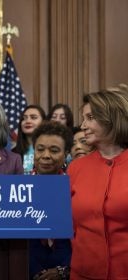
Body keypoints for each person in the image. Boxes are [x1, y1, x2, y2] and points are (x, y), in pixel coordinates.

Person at [67, 87, 128, 279]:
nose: (83, 125)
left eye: (90, 117)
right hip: (83, 272)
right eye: (83, 118)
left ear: (112, 119)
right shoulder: (76, 168)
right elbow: (70, 224)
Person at [29, 121, 72, 279]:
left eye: (54, 150)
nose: (46, 155)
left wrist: (64, 271)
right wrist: (35, 271)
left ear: (66, 153)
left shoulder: (74, 189)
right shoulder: (19, 189)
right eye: (40, 149)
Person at [12, 105, 46, 174]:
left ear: (44, 122)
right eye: (24, 118)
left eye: (33, 117)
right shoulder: (13, 153)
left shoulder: (50, 151)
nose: (27, 121)